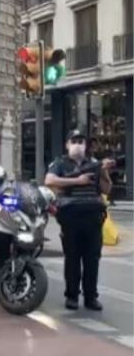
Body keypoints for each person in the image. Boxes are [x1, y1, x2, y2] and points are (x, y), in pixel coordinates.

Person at [45, 129, 115, 311]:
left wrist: (104, 172)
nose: (78, 144)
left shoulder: (94, 163)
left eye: (81, 141)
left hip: (93, 217)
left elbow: (106, 190)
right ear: (67, 144)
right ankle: (72, 296)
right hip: (71, 216)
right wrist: (78, 181)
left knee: (92, 259)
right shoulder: (60, 163)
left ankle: (91, 297)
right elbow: (49, 180)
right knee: (73, 258)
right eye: (74, 141)